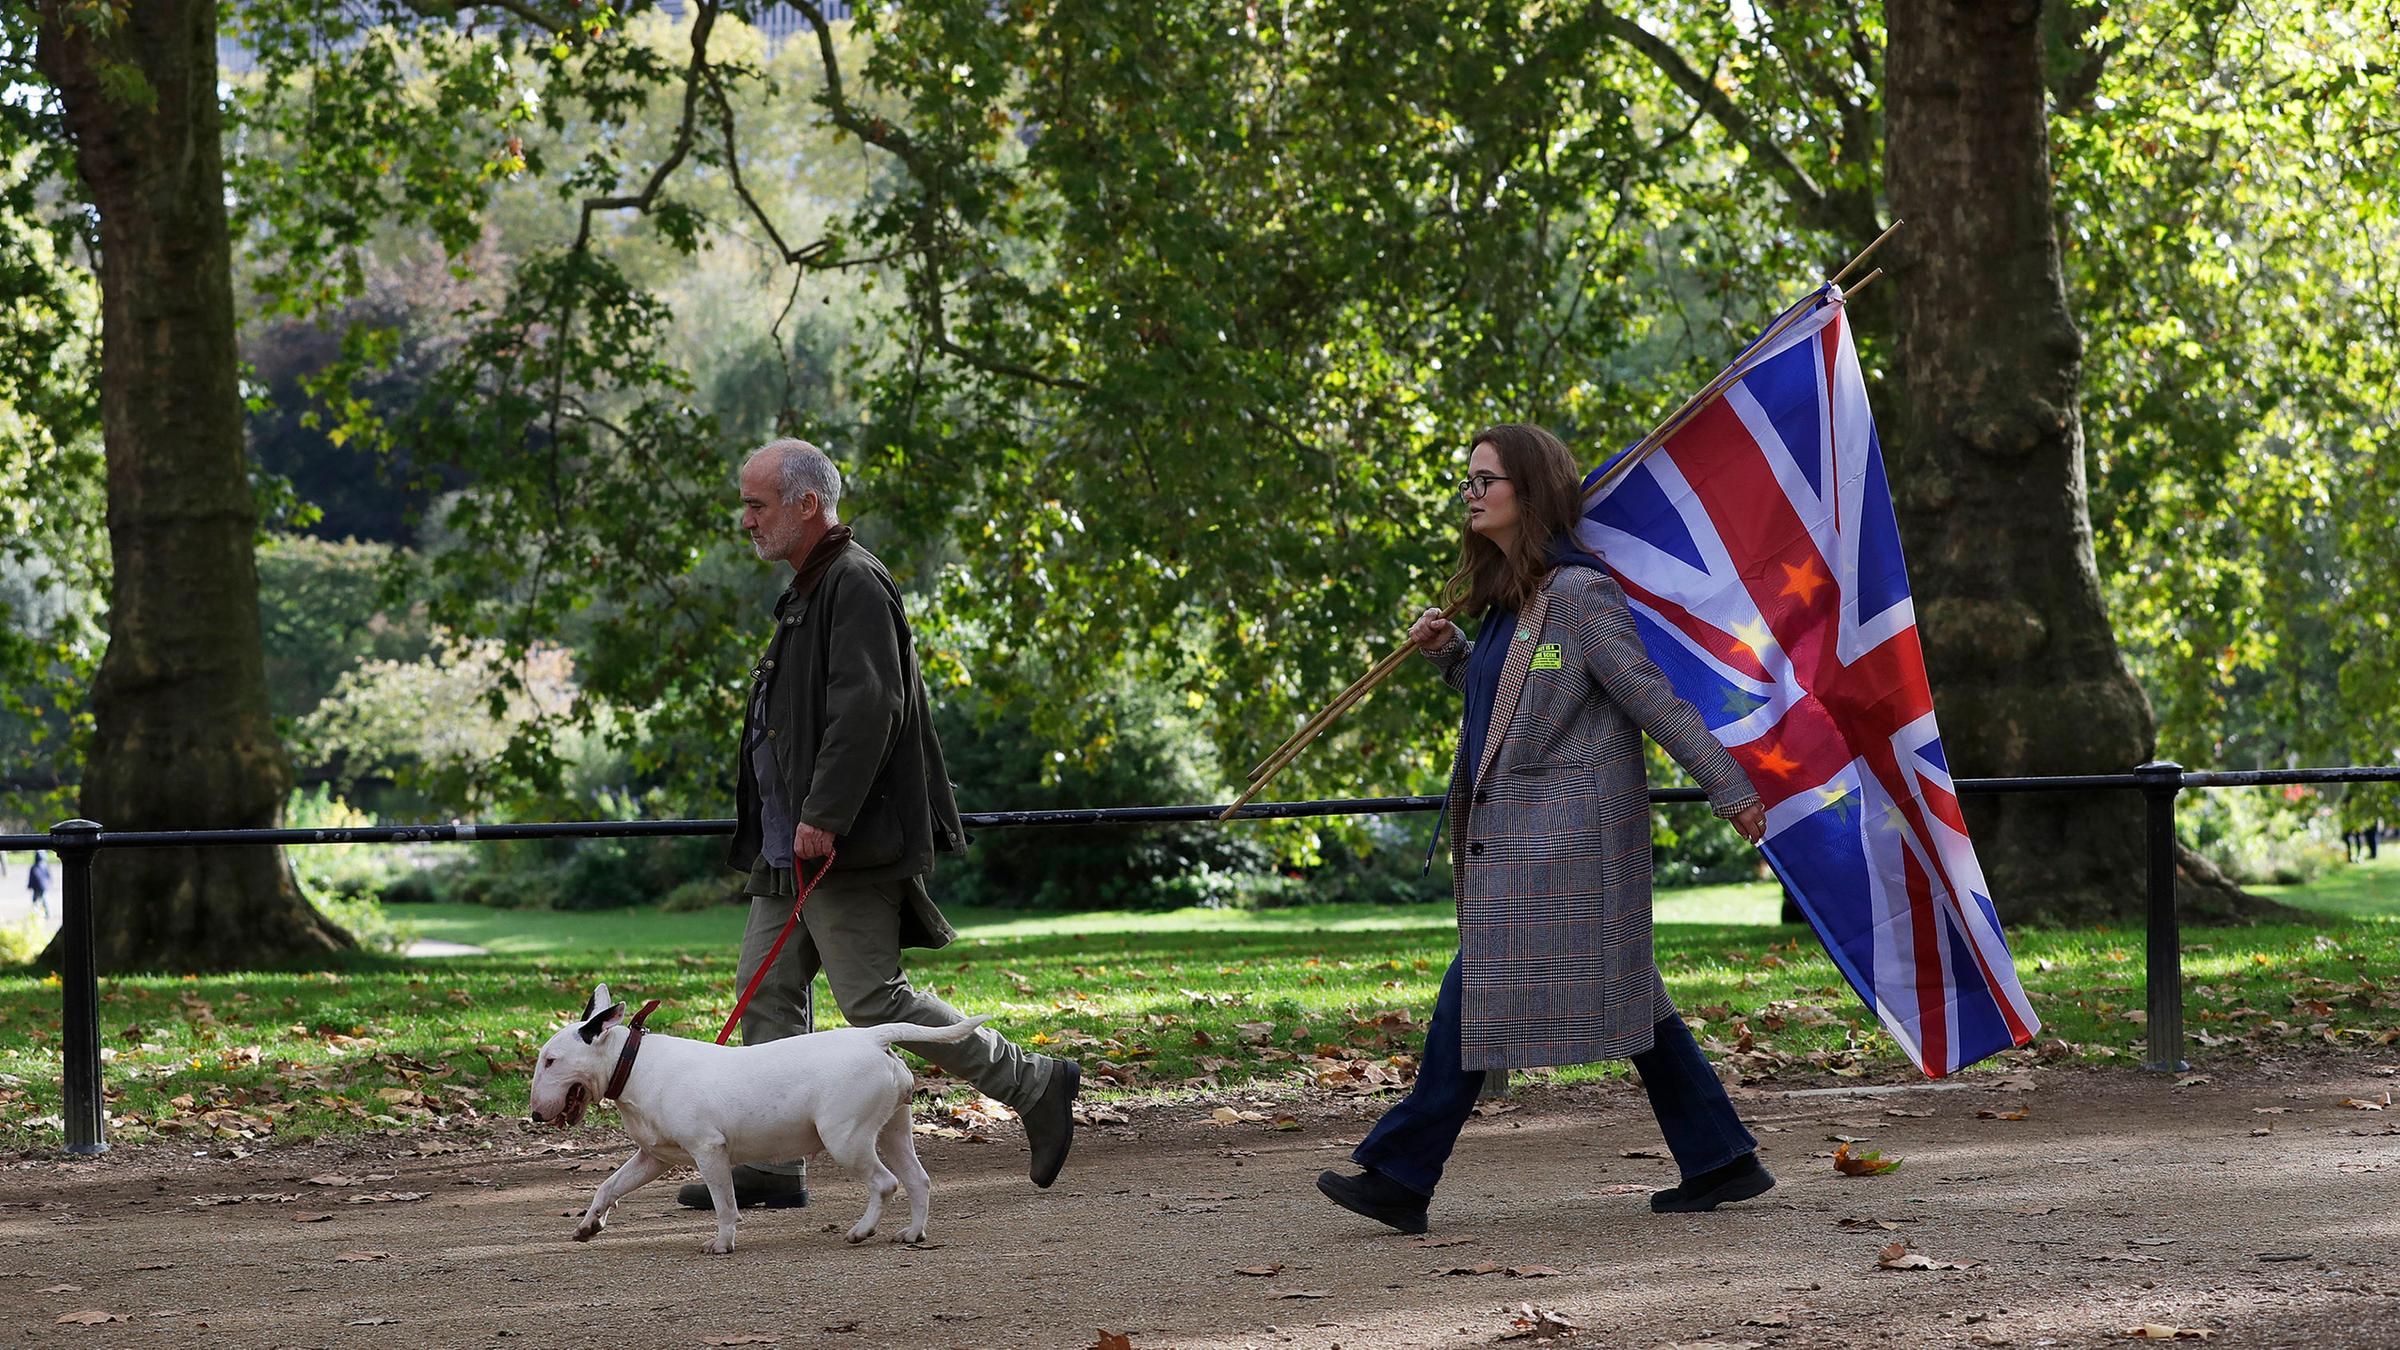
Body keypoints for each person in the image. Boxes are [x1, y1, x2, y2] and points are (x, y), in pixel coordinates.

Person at [1316, 424, 1773, 1235]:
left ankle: (1399, 1173)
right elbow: (1513, 711)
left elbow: (1648, 695)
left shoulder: (1579, 593)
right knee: (1631, 1000)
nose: (1471, 495)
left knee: (1475, 993)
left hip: (1567, 845)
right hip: (1527, 844)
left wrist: (1728, 787)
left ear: (1528, 489)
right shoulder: (1515, 600)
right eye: (1467, 482)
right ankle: (1722, 1159)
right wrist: (1455, 654)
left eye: (1484, 480)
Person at [682, 439, 1081, 1213]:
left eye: (757, 503)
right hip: (785, 843)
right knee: (766, 994)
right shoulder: (810, 585)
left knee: (874, 1002)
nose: (745, 519)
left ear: (807, 504)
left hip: (838, 842)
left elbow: (869, 708)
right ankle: (770, 1164)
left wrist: (825, 815)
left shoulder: (855, 581)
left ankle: (1035, 1082)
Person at [26, 851, 49, 924]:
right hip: (44, 886)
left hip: (37, 887)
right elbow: (48, 876)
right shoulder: (45, 866)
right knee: (44, 900)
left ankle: (35, 914)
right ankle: (47, 913)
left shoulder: (34, 867)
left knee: (36, 901)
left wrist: (29, 885)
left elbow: (31, 878)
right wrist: (48, 884)